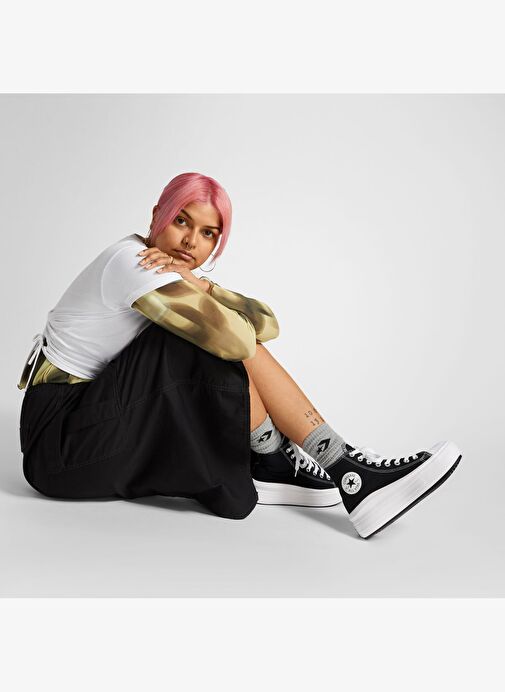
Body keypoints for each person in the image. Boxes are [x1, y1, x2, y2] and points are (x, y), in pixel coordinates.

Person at [17, 172, 462, 538]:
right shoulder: (134, 263)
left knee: (209, 332)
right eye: (181, 221)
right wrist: (205, 298)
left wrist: (202, 285)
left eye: (207, 233)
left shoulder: (168, 272)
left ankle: (290, 460)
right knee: (203, 338)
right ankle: (334, 467)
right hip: (58, 443)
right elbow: (239, 343)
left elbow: (268, 323)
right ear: (157, 215)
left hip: (82, 420)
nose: (189, 241)